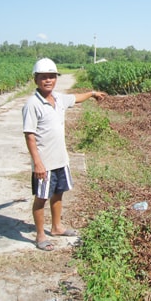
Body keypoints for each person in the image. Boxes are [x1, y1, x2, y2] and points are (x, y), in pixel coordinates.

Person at [22, 58, 107, 251]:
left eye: (52, 77)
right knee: (41, 198)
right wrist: (38, 163)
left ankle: (57, 226)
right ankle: (40, 235)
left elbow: (76, 98)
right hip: (45, 162)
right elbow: (30, 136)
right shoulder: (32, 104)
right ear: (36, 80)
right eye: (44, 77)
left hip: (61, 160)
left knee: (58, 193)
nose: (48, 80)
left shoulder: (59, 99)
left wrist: (93, 94)